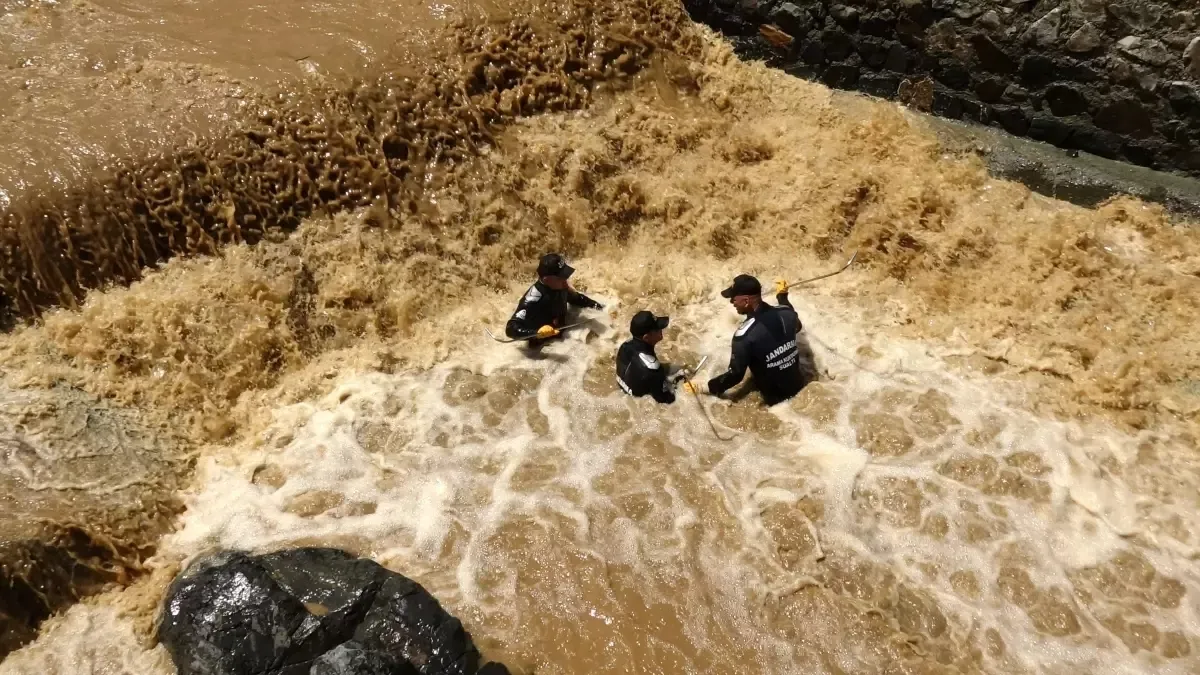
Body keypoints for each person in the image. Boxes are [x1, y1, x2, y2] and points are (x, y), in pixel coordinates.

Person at [686, 274, 805, 405]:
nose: (731, 302)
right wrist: (782, 296)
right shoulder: (787, 313)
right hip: (801, 391)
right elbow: (797, 326)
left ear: (746, 301)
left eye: (733, 298)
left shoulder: (744, 335)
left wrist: (704, 387)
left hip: (778, 404)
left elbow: (735, 376)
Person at [505, 253, 604, 345]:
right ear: (546, 279)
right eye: (561, 278)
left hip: (562, 333)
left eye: (565, 276)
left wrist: (600, 309)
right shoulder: (533, 298)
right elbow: (511, 328)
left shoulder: (560, 286)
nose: (565, 281)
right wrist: (536, 333)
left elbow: (578, 299)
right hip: (543, 345)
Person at [616, 311, 689, 404]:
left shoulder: (625, 345)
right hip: (639, 403)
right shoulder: (653, 369)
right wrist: (679, 382)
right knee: (685, 374)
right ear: (646, 337)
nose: (661, 329)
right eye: (657, 329)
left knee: (676, 369)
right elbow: (668, 401)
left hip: (624, 388)